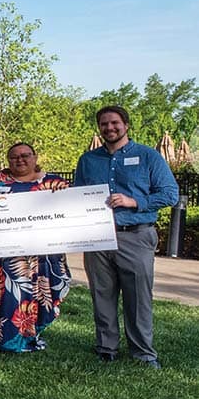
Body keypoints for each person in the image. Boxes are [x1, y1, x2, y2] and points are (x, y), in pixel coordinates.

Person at [74, 105, 180, 368]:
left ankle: (143, 353)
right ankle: (106, 348)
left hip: (135, 235)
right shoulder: (88, 160)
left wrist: (134, 201)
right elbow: (76, 196)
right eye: (104, 124)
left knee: (138, 298)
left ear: (126, 125)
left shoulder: (148, 156)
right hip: (97, 238)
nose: (109, 128)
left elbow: (170, 194)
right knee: (102, 294)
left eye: (114, 123)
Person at [0, 143, 73, 353]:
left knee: (33, 295)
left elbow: (70, 213)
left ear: (35, 157)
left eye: (25, 155)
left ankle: (28, 336)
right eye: (14, 157)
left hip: (38, 256)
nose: (20, 160)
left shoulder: (55, 183)